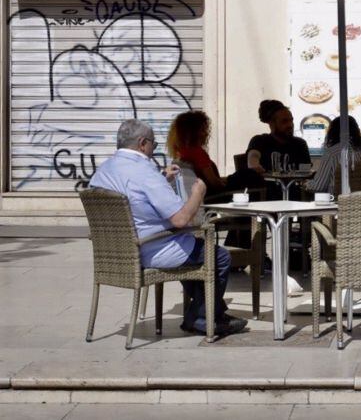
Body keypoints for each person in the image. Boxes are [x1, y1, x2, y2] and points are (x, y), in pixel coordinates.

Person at [89, 119, 247, 336]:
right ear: (142, 143)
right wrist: (197, 193)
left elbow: (133, 197)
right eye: (153, 144)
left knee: (194, 252)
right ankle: (200, 317)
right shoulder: (144, 173)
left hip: (119, 253)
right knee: (218, 256)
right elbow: (180, 220)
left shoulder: (103, 171)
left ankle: (213, 312)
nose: (154, 149)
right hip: (154, 249)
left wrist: (163, 179)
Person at [166, 111, 264, 197]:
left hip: (200, 194)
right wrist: (231, 185)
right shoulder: (198, 153)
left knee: (243, 174)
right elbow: (214, 183)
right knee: (251, 176)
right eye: (203, 130)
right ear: (194, 132)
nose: (206, 133)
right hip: (213, 196)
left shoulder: (181, 152)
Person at [246, 100, 311, 195]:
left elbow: (306, 170)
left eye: (291, 120)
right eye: (284, 121)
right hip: (267, 195)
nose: (290, 125)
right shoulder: (260, 140)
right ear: (272, 124)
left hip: (295, 195)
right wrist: (254, 164)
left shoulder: (300, 144)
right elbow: (253, 155)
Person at [309, 115, 361, 194]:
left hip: (336, 202)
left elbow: (318, 186)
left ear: (332, 133)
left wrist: (304, 183)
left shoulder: (332, 154)